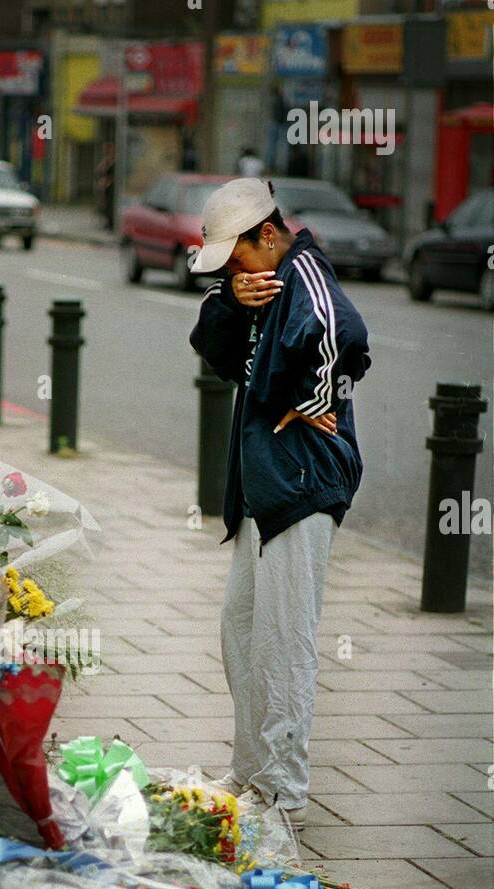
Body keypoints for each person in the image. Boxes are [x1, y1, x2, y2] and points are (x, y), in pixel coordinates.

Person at [189, 179, 371, 830]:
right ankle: (248, 774)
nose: (234, 272)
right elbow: (210, 346)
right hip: (264, 486)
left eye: (236, 258)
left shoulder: (304, 273)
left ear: (266, 235)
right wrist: (232, 300)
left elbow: (344, 333)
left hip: (300, 480)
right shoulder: (257, 282)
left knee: (284, 641)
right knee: (240, 626)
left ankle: (283, 797)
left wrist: (316, 399)